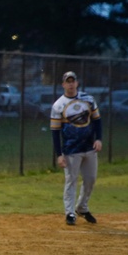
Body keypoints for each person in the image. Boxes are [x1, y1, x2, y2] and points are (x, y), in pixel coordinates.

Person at [50, 71, 102, 226]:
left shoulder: (88, 99)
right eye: (68, 82)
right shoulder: (58, 105)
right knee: (71, 180)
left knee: (90, 179)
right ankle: (70, 212)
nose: (71, 84)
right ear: (63, 85)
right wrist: (59, 154)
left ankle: (82, 207)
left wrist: (99, 138)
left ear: (77, 83)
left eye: (73, 81)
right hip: (71, 149)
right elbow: (55, 131)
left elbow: (97, 120)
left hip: (89, 146)